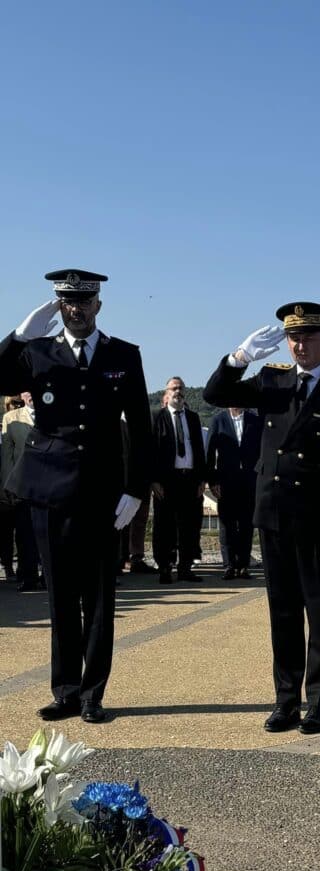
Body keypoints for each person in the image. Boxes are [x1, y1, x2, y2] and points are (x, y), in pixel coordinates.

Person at [203, 301, 320, 734]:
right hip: (275, 511)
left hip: (319, 515)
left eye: (309, 336)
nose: (300, 345)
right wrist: (238, 358)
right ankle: (286, 701)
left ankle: (319, 703)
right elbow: (215, 395)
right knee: (282, 613)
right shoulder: (271, 380)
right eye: (294, 337)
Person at [0, 270, 151, 722]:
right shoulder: (38, 352)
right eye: (67, 301)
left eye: (84, 302)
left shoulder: (123, 355)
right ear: (58, 306)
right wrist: (19, 335)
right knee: (60, 595)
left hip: (103, 492)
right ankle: (65, 690)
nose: (76, 309)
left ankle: (92, 693)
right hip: (49, 489)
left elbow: (142, 430)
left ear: (98, 305)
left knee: (99, 596)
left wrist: (135, 490)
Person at [150, 377, 206, 584]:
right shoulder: (157, 417)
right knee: (164, 526)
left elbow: (199, 449)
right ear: (166, 392)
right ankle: (165, 567)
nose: (178, 391)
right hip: (167, 481)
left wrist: (202, 479)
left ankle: (186, 568)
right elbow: (151, 451)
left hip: (190, 479)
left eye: (181, 387)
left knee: (190, 526)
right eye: (174, 388)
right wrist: (153, 480)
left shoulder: (193, 417)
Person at [206, 406, 263, 578]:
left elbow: (263, 449)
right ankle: (229, 564)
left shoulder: (255, 420)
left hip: (249, 480)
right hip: (226, 481)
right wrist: (212, 480)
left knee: (247, 524)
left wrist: (259, 475)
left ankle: (243, 565)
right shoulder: (218, 420)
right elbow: (209, 452)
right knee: (226, 524)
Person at [1, 392, 43, 590]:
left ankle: (49, 576)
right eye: (27, 392)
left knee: (47, 532)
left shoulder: (53, 413)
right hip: (23, 483)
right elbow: (7, 455)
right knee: (25, 533)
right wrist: (8, 484)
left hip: (49, 483)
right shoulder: (10, 418)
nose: (31, 395)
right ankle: (28, 576)